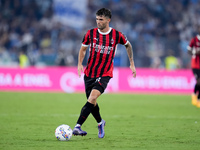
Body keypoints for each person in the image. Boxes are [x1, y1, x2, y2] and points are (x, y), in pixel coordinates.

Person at [72, 8, 136, 138]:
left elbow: (128, 45)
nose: (98, 22)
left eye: (100, 19)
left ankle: (77, 126)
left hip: (105, 73)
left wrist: (132, 63)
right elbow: (83, 49)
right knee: (92, 102)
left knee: (93, 97)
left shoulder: (117, 35)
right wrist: (79, 63)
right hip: (89, 73)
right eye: (96, 19)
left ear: (108, 20)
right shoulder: (90, 33)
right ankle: (100, 123)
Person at [187, 26, 200, 108]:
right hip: (195, 65)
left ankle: (198, 99)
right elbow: (188, 50)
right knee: (199, 80)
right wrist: (195, 52)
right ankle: (194, 95)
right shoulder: (194, 40)